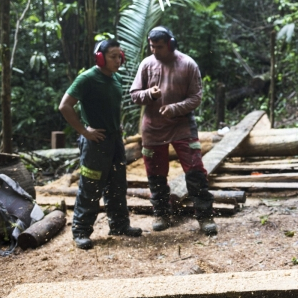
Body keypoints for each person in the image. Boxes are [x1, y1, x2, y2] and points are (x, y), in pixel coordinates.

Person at [130, 26, 217, 235]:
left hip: (182, 126)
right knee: (156, 174)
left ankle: (205, 217)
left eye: (159, 47)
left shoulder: (187, 64)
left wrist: (174, 108)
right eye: (152, 46)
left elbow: (196, 97)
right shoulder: (147, 64)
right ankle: (161, 213)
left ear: (170, 44)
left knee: (195, 171)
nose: (154, 51)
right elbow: (134, 94)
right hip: (152, 129)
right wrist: (148, 94)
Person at [59, 39, 142, 250]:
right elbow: (65, 106)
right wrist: (85, 131)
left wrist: (118, 125)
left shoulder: (117, 78)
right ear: (100, 57)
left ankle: (120, 225)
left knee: (117, 184)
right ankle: (80, 231)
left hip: (115, 141)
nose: (118, 60)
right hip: (96, 143)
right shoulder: (87, 78)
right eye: (113, 56)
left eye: (119, 56)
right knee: (91, 186)